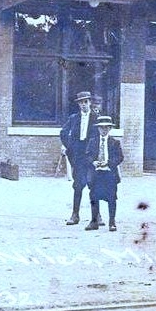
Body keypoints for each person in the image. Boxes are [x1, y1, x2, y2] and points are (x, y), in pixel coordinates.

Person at [60, 91, 96, 225]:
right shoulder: (73, 118)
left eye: (86, 102)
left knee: (94, 185)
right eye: (81, 102)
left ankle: (96, 215)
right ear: (79, 104)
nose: (84, 105)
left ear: (90, 102)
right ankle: (75, 215)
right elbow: (63, 132)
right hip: (79, 156)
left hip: (91, 156)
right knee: (78, 185)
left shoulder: (96, 118)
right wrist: (70, 147)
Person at [84, 115, 123, 231]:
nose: (104, 130)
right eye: (101, 128)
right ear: (98, 129)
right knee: (94, 197)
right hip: (96, 174)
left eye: (106, 128)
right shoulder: (93, 142)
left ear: (110, 129)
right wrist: (93, 162)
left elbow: (120, 157)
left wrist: (109, 163)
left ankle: (112, 222)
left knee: (111, 198)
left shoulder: (114, 143)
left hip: (109, 174)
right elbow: (87, 155)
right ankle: (94, 221)